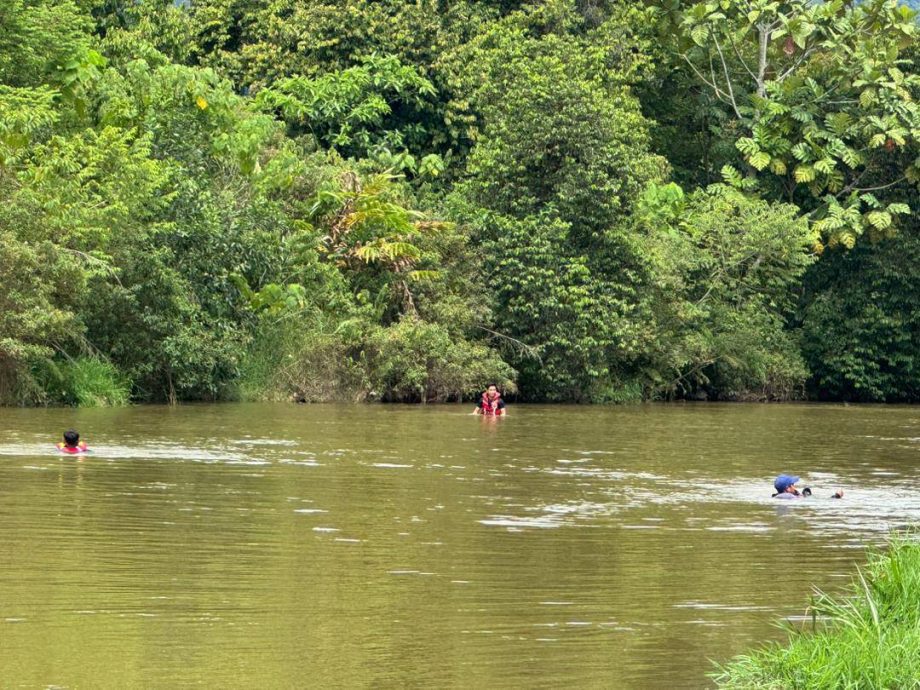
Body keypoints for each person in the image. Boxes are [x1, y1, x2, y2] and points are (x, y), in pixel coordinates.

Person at [772, 474, 843, 499]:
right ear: (787, 488)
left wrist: (804, 494)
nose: (794, 486)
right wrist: (836, 496)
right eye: (793, 484)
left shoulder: (779, 496)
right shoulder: (789, 496)